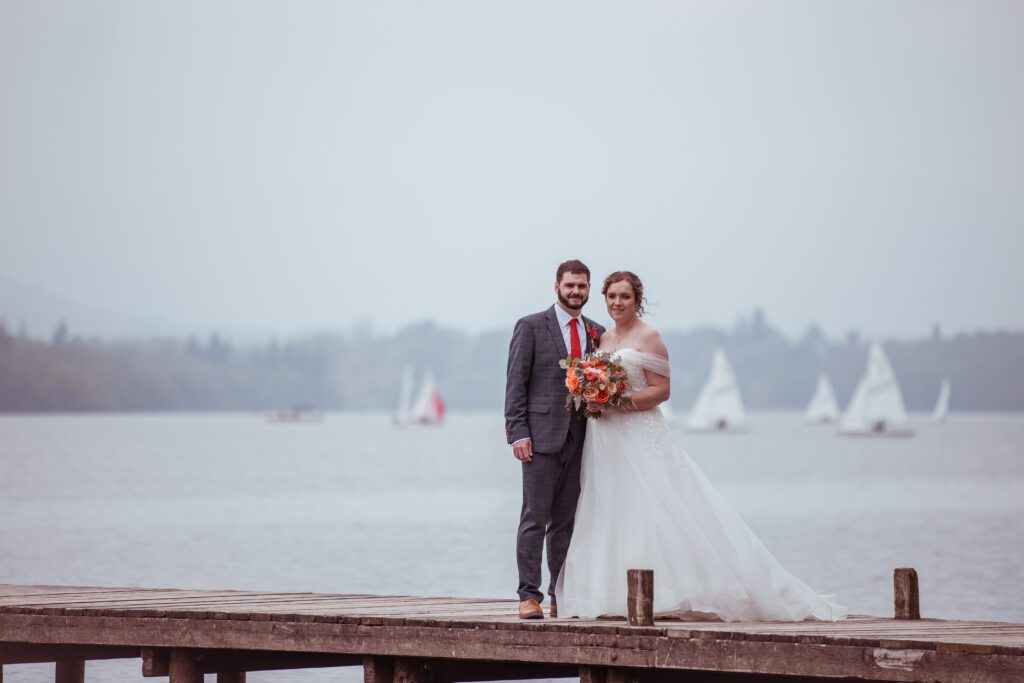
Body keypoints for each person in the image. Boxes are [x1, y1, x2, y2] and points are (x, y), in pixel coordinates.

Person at [555, 271, 846, 622]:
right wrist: (592, 394)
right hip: (605, 439)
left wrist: (618, 402)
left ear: (637, 300)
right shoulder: (601, 338)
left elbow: (662, 390)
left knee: (656, 506)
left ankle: (671, 593)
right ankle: (609, 596)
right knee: (608, 506)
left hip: (638, 433)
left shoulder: (650, 337)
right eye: (612, 296)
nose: (617, 303)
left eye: (625, 297)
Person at [505, 259, 606, 620]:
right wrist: (517, 433)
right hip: (539, 440)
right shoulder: (531, 326)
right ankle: (527, 596)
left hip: (581, 439)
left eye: (581, 286)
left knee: (566, 522)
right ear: (556, 287)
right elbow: (516, 384)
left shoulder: (597, 332)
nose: (575, 292)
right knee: (535, 517)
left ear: (589, 289)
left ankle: (559, 594)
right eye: (569, 286)